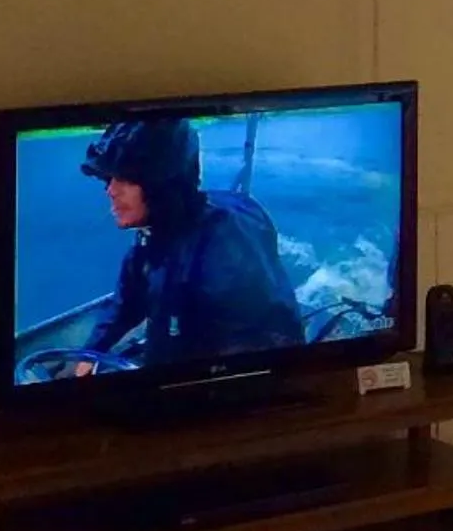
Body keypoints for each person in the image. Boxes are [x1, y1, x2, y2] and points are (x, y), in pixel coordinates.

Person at [76, 115, 305, 369]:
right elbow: (127, 303)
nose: (111, 190)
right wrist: (89, 352)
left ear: (160, 185)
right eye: (109, 178)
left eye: (126, 179)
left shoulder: (225, 251)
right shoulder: (155, 232)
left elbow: (260, 348)